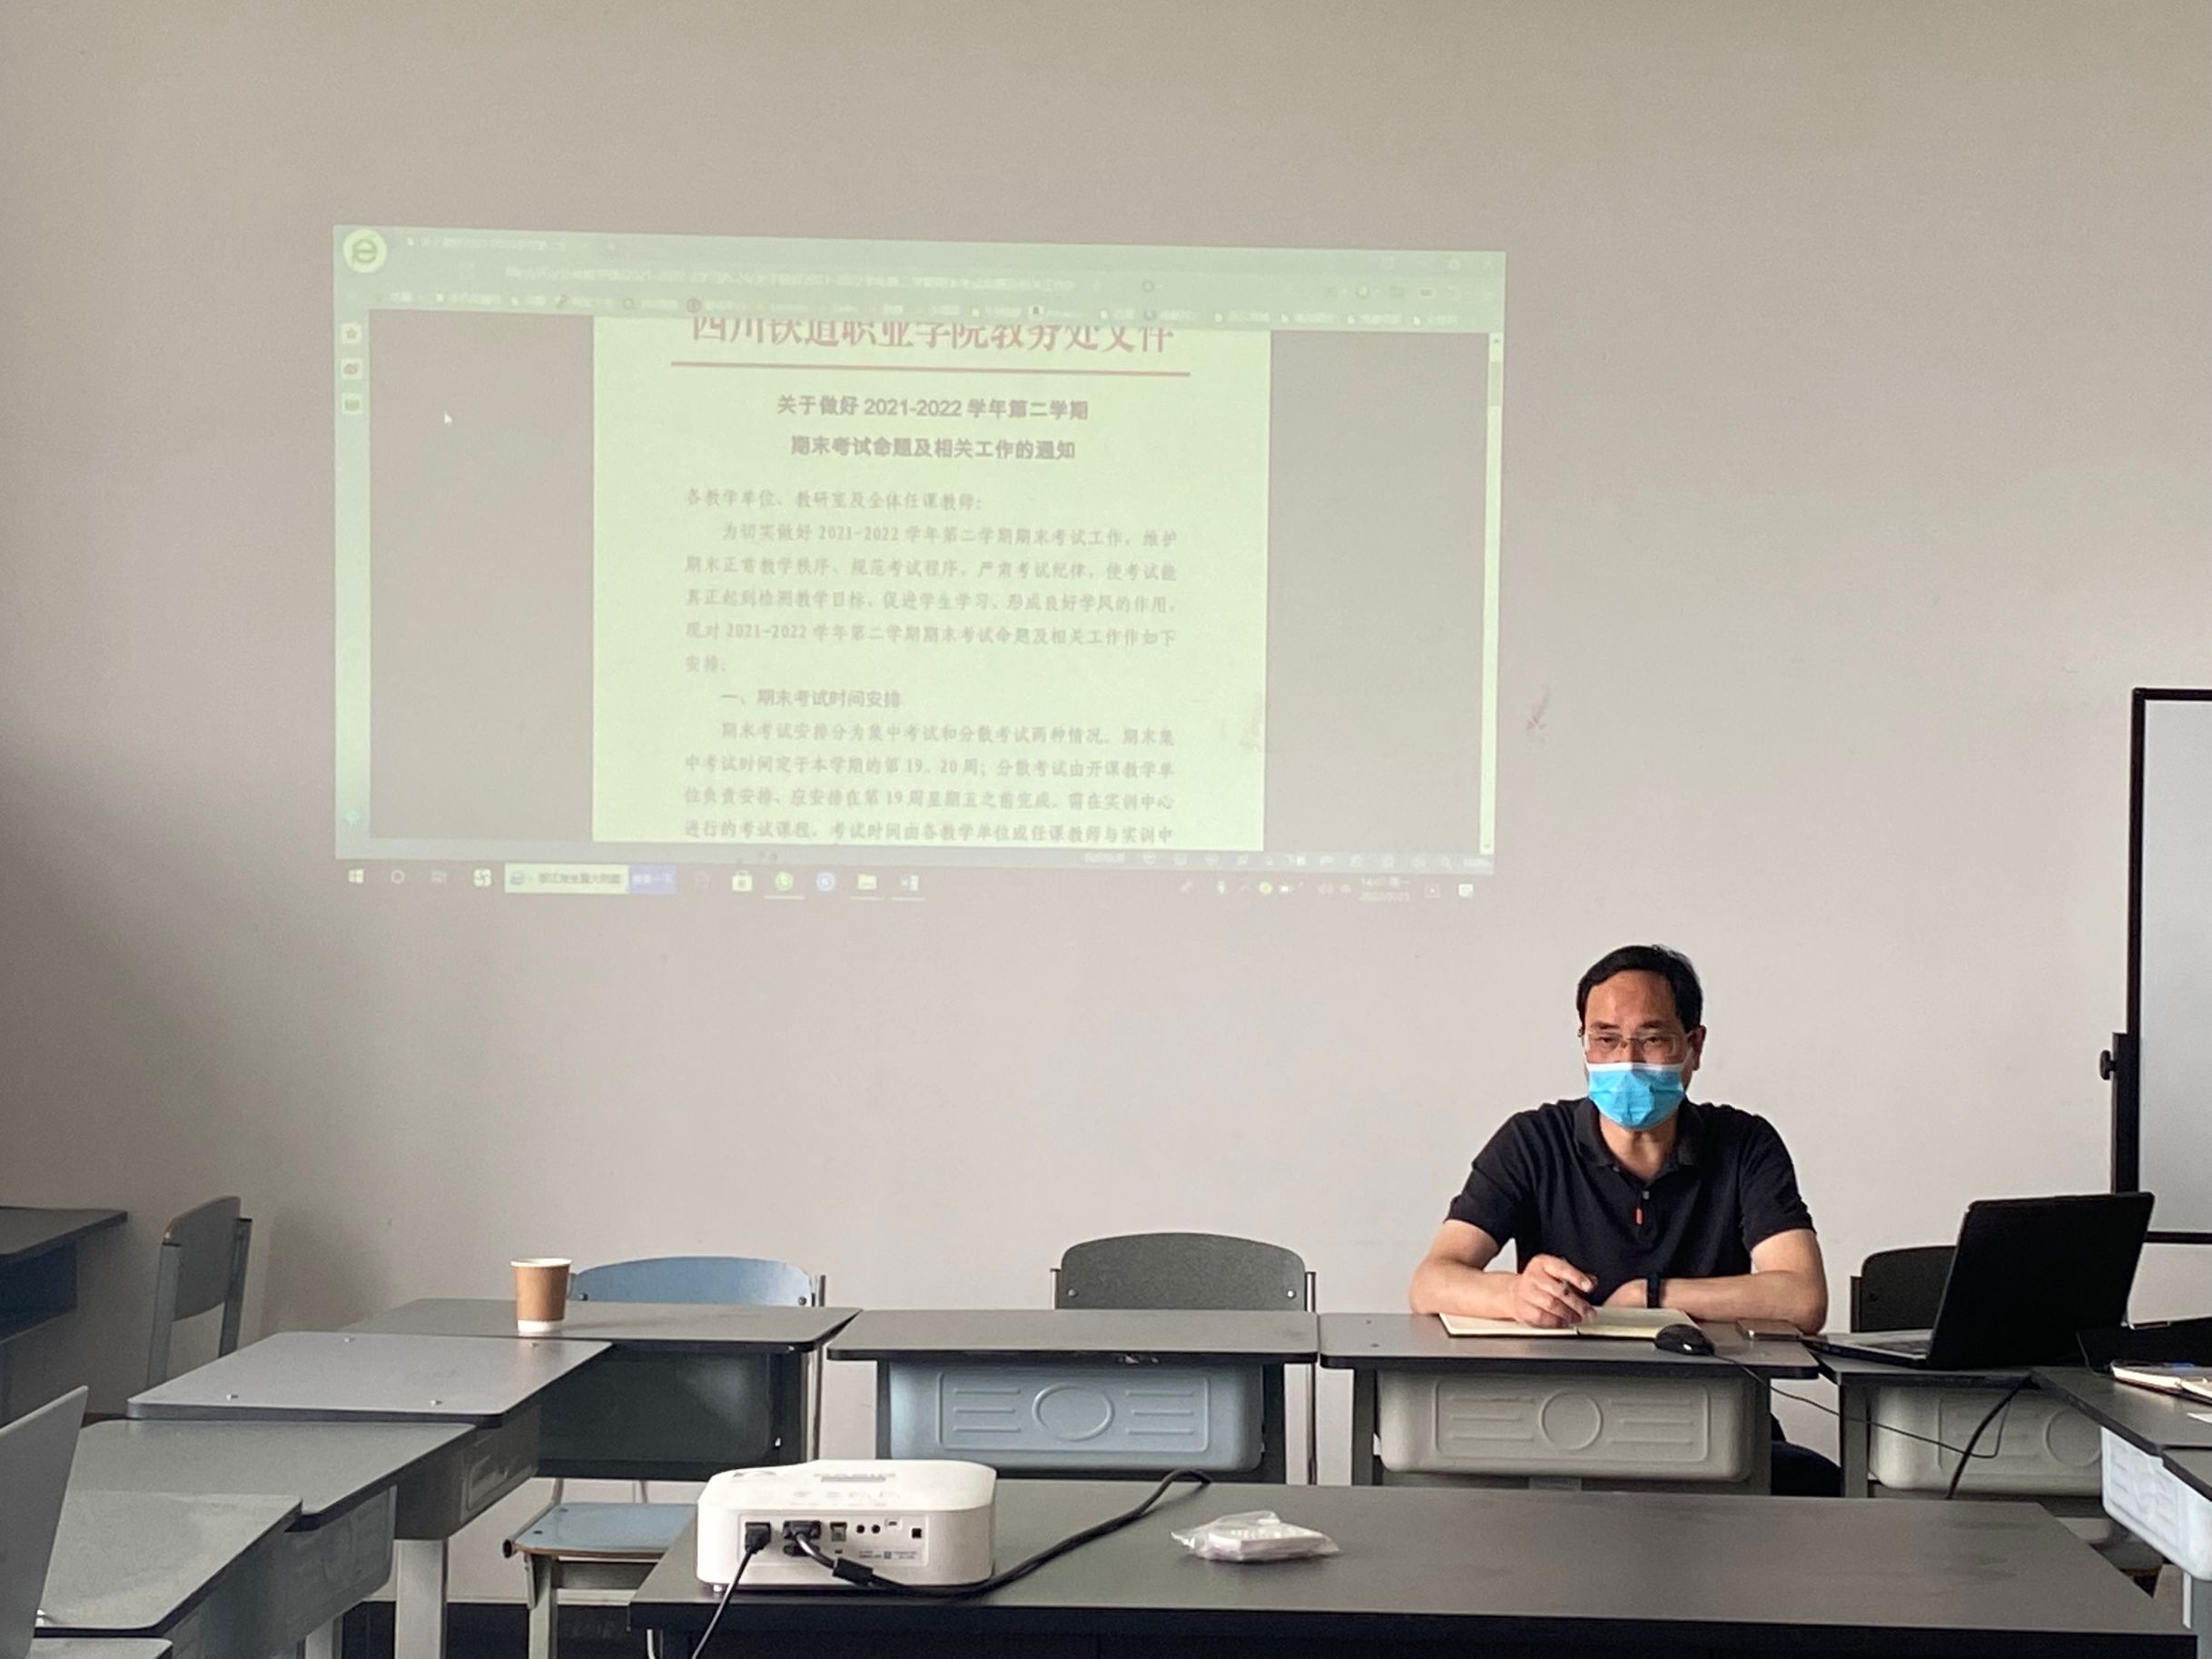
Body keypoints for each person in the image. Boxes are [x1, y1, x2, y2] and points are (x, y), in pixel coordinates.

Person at [1408, 943, 1839, 1495]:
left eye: (1652, 1039)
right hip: (1558, 1422)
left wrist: (1651, 1295)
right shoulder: (1532, 1141)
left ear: (1694, 1046)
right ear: (1584, 1044)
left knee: (1814, 1485)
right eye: (1605, 1039)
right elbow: (1431, 1281)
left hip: (1712, 1423)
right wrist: (1514, 1294)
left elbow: (1802, 1298)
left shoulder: (1745, 1144)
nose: (1627, 1061)